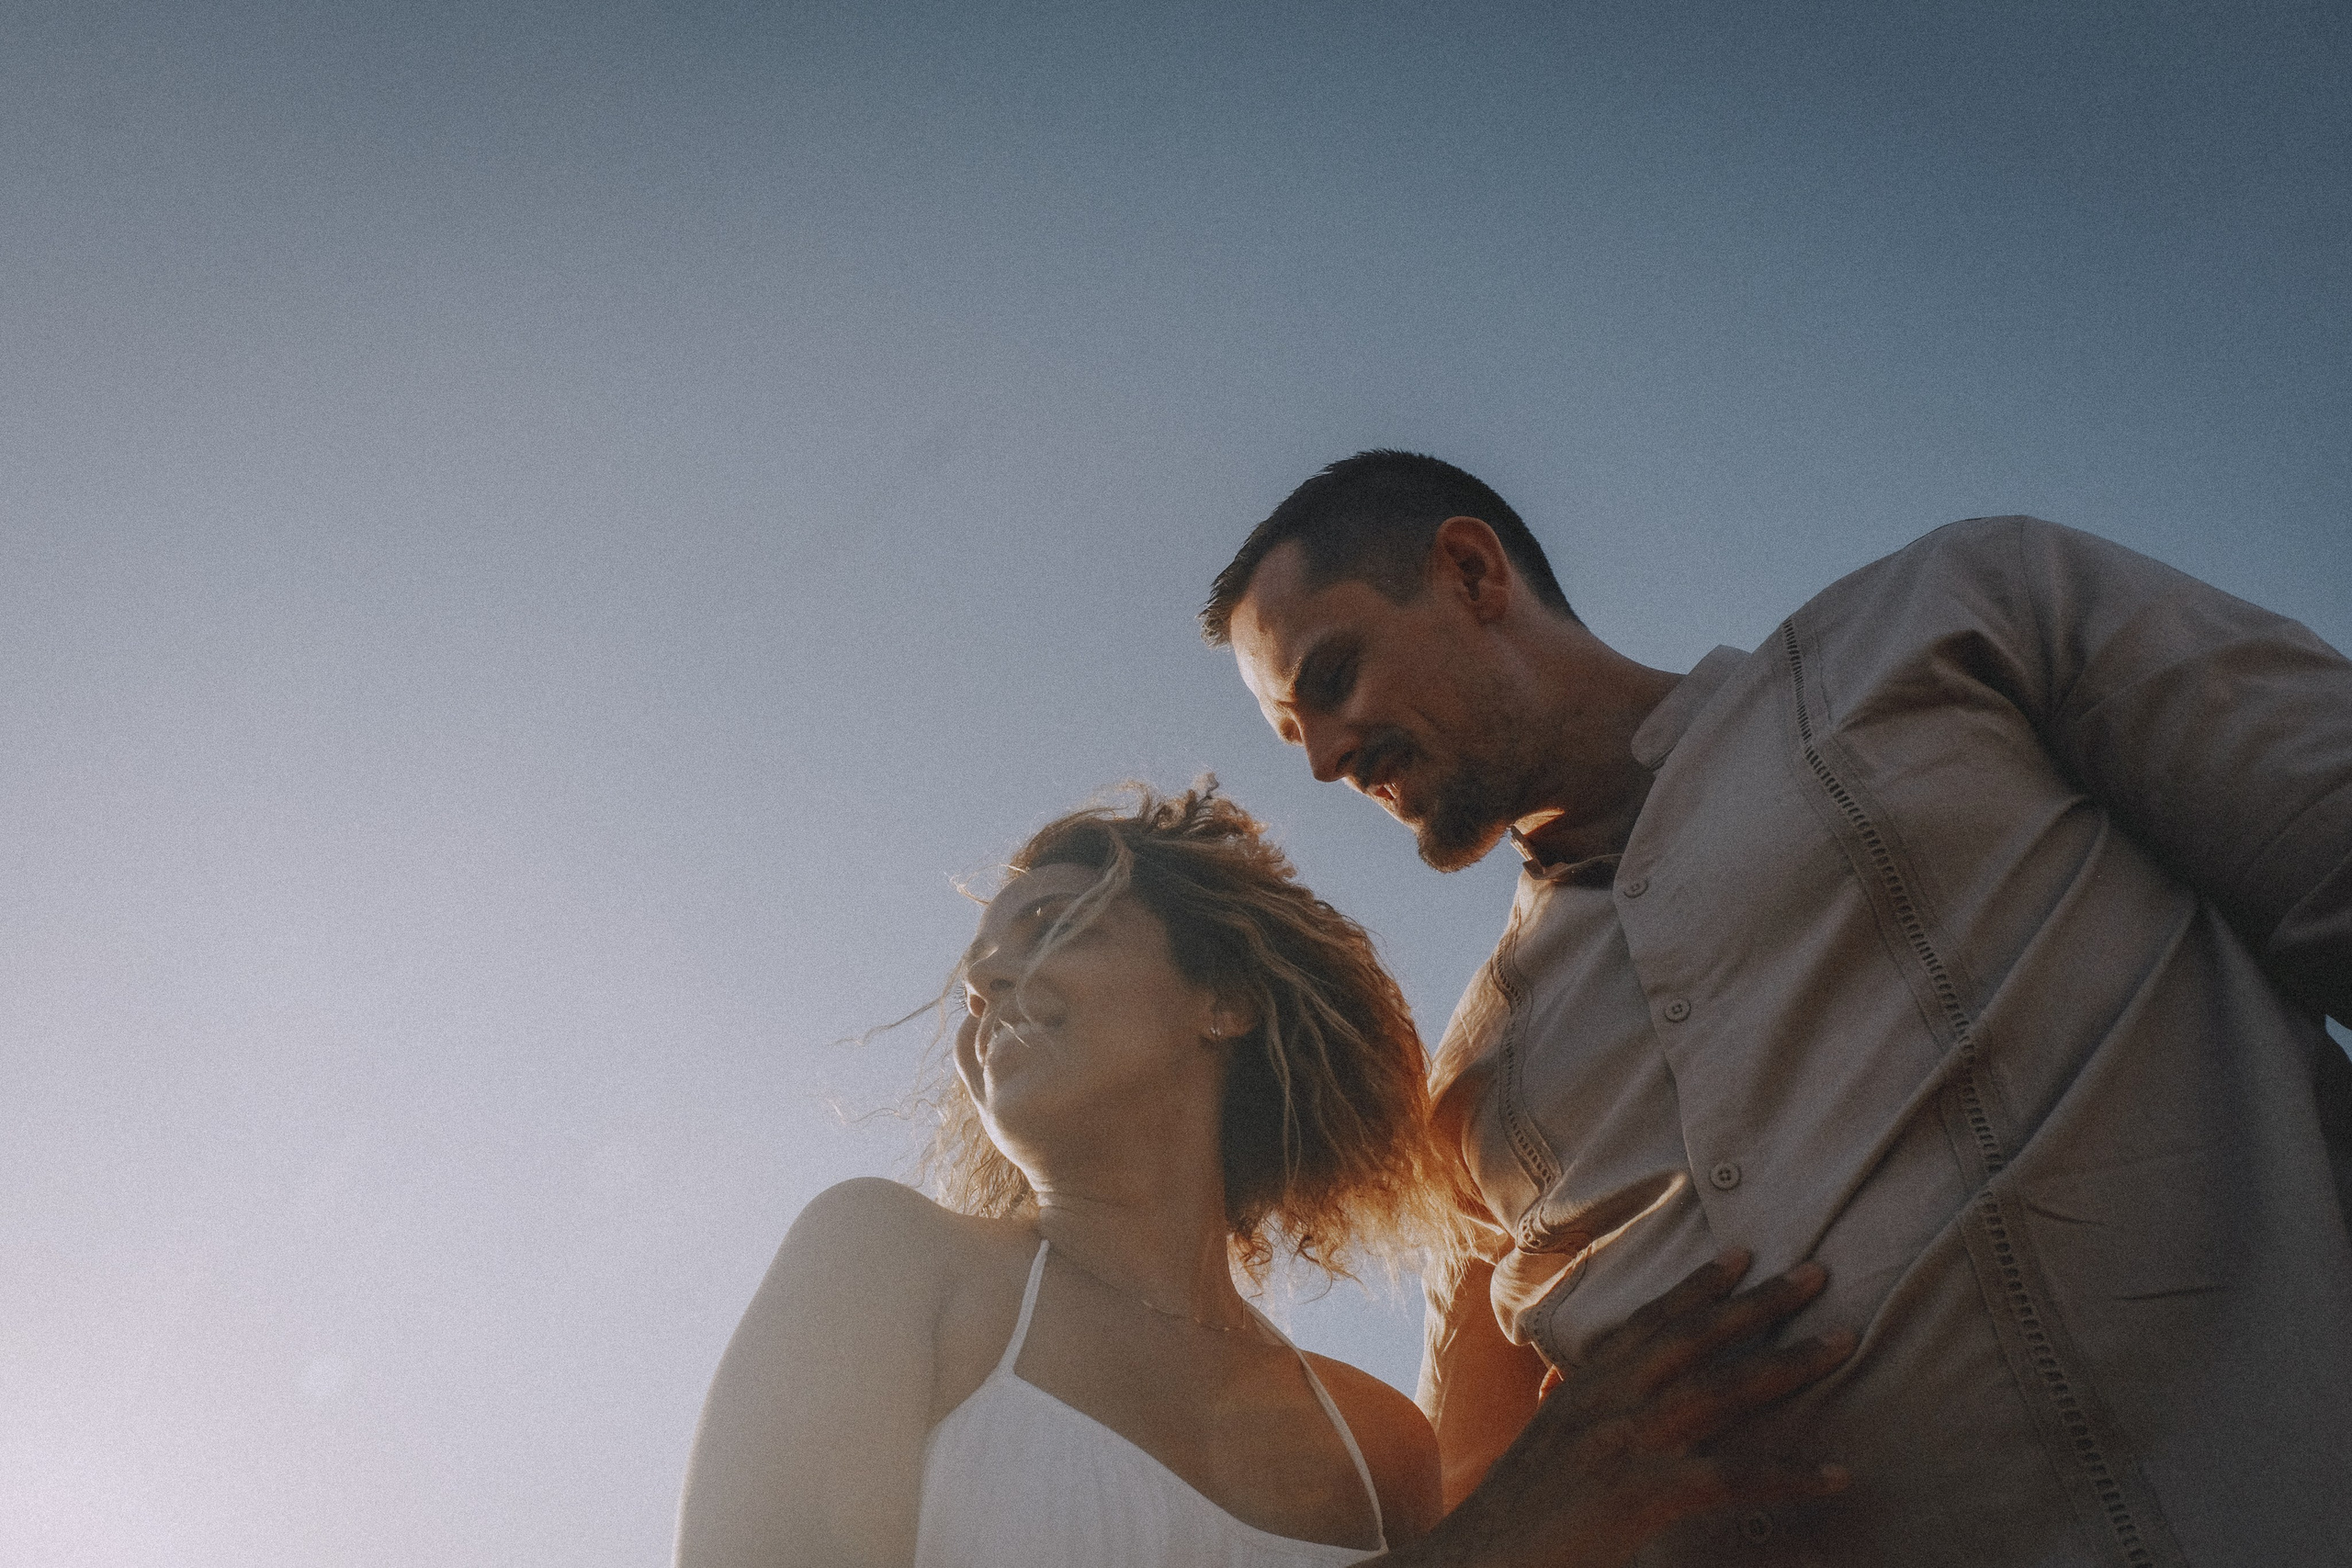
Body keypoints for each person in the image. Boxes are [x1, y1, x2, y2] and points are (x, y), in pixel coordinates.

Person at [1204, 449, 2352, 1566]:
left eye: (1331, 678)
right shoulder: (1466, 1087)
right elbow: (1479, 1502)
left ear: (1470, 572)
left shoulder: (1957, 618)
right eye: (1293, 733)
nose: (1324, 761)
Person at [673, 785, 1857, 1568]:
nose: (987, 987)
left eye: (1052, 928)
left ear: (1223, 1000)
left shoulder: (1381, 1445)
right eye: (978, 973)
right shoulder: (886, 1264)